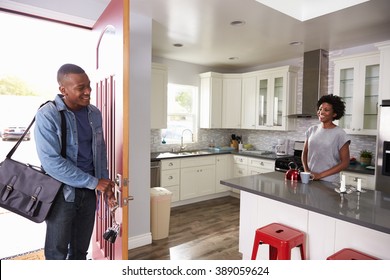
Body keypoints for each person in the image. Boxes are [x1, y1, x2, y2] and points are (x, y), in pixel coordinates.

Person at [34, 63, 116, 260]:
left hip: (88, 194)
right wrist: (95, 182)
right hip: (61, 194)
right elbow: (52, 162)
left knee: (80, 251)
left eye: (88, 86)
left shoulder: (94, 113)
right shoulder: (48, 114)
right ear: (63, 89)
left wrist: (105, 186)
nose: (88, 92)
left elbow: (100, 152)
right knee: (57, 253)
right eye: (81, 88)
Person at [302, 94, 351, 183]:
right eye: (320, 109)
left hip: (330, 182)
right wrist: (306, 171)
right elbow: (304, 153)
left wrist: (320, 175)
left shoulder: (340, 134)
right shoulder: (311, 130)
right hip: (311, 179)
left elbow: (345, 163)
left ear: (334, 114)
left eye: (326, 110)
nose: (321, 112)